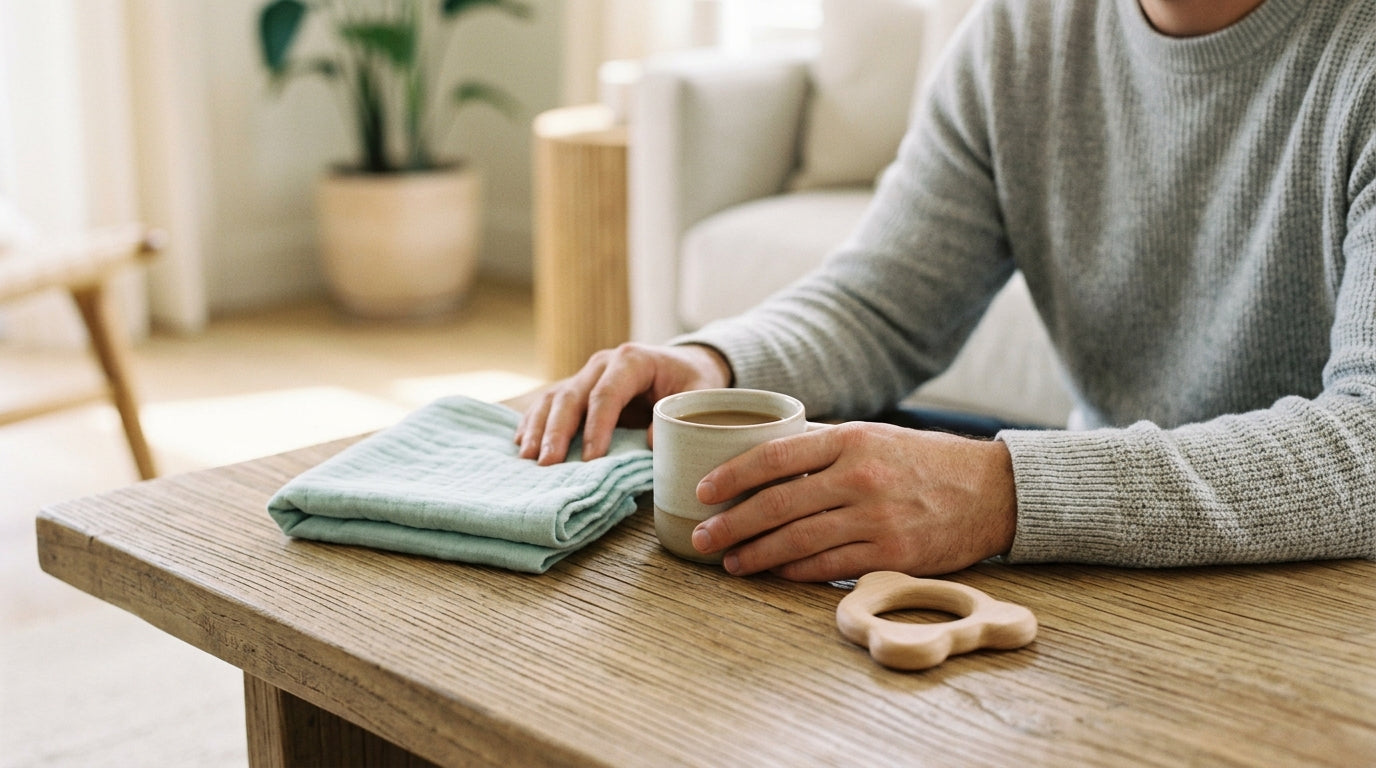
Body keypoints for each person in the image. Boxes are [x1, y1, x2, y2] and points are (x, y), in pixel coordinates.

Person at [516, 0, 1376, 582]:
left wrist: (1003, 493)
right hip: (1104, 565)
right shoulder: (1022, 31)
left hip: (1328, 592)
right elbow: (886, 301)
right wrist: (713, 364)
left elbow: (1367, 442)